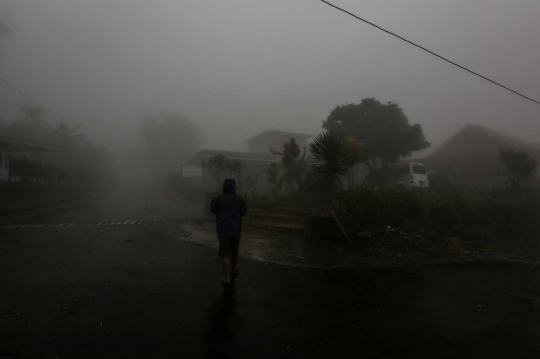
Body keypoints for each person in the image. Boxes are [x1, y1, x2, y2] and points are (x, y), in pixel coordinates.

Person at [210, 178, 247, 286]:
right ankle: (233, 268)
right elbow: (243, 212)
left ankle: (227, 277)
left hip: (223, 230)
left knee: (225, 253)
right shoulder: (239, 199)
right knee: (234, 250)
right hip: (236, 229)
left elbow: (212, 209)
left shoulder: (218, 199)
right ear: (234, 187)